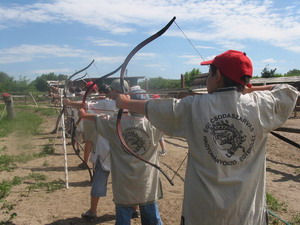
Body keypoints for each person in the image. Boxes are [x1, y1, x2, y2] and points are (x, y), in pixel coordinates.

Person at [115, 50, 299, 225]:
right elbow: (288, 91)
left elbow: (155, 108)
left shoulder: (193, 106)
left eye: (208, 74)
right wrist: (245, 89)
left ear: (217, 75)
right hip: (247, 216)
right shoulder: (261, 105)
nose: (207, 79)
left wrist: (125, 102)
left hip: (203, 214)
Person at [79, 79, 164, 225]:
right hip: (147, 183)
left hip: (124, 184)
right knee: (152, 218)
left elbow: (98, 119)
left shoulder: (116, 124)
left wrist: (83, 114)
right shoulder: (154, 124)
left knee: (124, 218)